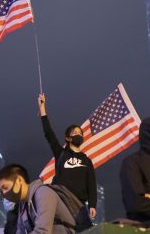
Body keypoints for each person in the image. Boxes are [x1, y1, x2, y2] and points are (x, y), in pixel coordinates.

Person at [38, 93, 96, 221]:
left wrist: (92, 205)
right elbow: (49, 134)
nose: (78, 135)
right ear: (68, 138)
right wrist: (42, 109)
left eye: (80, 133)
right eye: (74, 133)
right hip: (59, 200)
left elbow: (91, 183)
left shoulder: (87, 161)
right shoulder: (61, 153)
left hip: (78, 206)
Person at [0, 163, 75, 234]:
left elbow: (43, 231)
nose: (4, 193)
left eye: (5, 187)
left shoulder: (43, 192)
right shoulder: (23, 207)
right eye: (1, 191)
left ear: (19, 180)